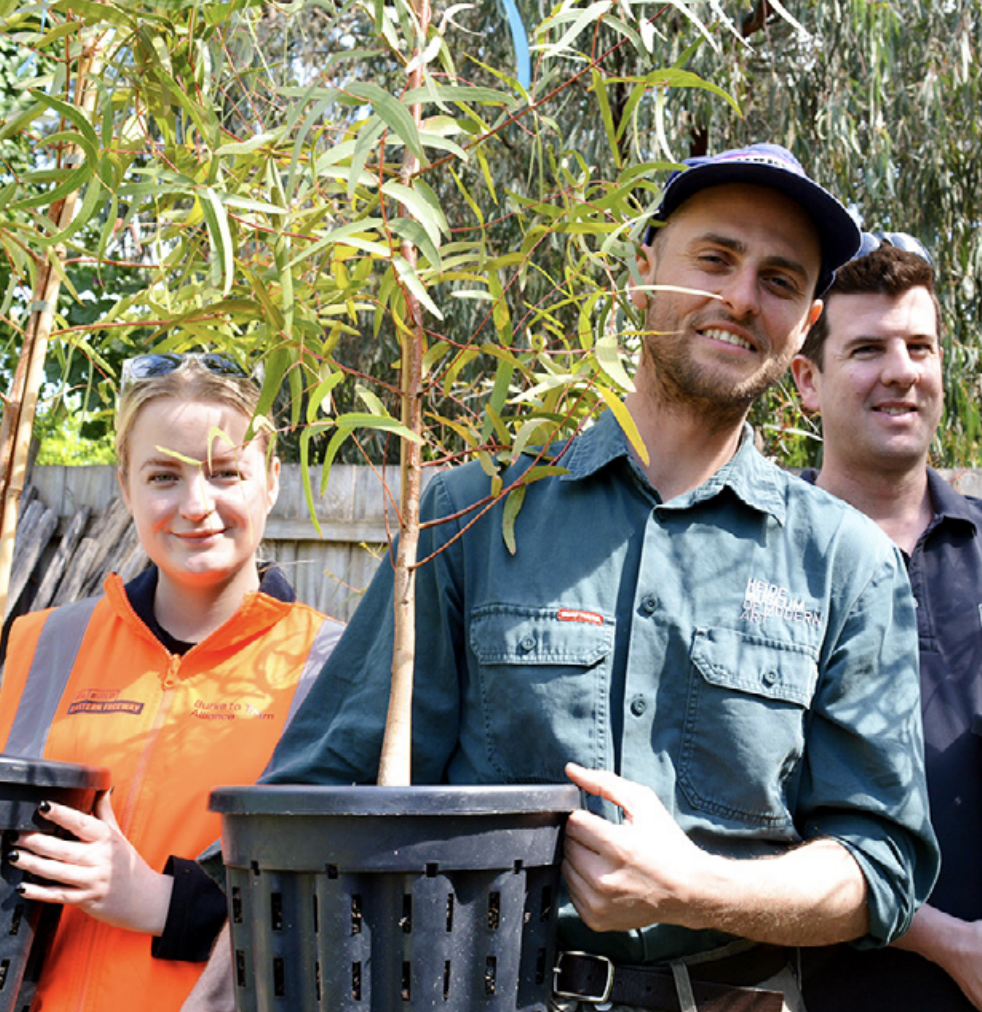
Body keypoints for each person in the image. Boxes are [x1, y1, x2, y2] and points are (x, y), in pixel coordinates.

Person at [185, 144, 940, 1012]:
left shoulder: (846, 564)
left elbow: (880, 866)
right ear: (642, 270)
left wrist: (697, 887)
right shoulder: (471, 516)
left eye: (779, 279)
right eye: (716, 258)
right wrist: (232, 977)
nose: (740, 297)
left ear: (805, 323)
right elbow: (317, 798)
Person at [0, 352, 345, 1012]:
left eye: (225, 474)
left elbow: (345, 905)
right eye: (164, 476)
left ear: (271, 480)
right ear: (125, 486)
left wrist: (164, 903)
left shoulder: (329, 668)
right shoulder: (42, 644)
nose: (196, 505)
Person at [792, 235, 982, 1011]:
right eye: (867, 348)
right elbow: (741, 812)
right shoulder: (757, 564)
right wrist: (951, 943)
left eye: (919, 346)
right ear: (806, 379)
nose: (900, 371)